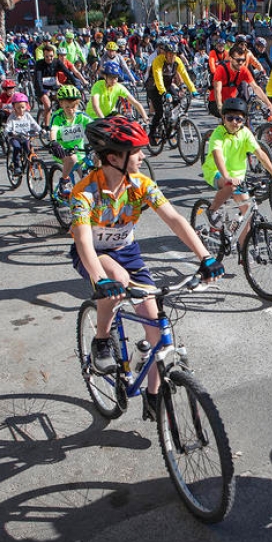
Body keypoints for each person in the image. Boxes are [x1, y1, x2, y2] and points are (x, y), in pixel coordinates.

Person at [69, 116, 223, 417]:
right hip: (94, 255)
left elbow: (176, 220)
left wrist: (205, 256)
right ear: (113, 157)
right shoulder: (85, 193)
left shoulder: (141, 185)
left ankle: (153, 395)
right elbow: (84, 241)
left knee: (157, 331)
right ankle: (101, 339)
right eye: (136, 151)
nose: (143, 156)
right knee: (116, 280)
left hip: (127, 252)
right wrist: (99, 279)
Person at [201, 98, 272, 245]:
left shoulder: (245, 133)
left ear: (244, 120)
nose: (235, 122)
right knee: (230, 185)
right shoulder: (218, 133)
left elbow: (260, 153)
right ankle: (212, 211)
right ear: (223, 118)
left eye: (239, 119)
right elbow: (217, 155)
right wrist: (226, 177)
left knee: (247, 213)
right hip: (215, 171)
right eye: (230, 118)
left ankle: (243, 250)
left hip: (238, 176)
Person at [146, 39, 197, 140]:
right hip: (154, 87)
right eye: (169, 54)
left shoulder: (177, 61)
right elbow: (158, 77)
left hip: (167, 86)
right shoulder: (158, 61)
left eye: (173, 54)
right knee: (159, 112)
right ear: (164, 54)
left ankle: (170, 123)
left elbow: (185, 75)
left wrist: (193, 89)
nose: (171, 56)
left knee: (177, 100)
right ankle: (151, 134)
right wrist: (164, 93)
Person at [208, 43, 272, 120]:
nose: (241, 63)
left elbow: (255, 88)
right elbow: (217, 90)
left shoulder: (243, 70)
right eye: (238, 60)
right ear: (231, 59)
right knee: (231, 121)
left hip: (231, 102)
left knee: (243, 117)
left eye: (243, 60)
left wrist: (269, 104)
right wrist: (219, 105)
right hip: (215, 102)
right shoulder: (221, 69)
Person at [2, 93, 42, 176]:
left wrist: (41, 131)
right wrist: (10, 132)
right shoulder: (12, 117)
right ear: (14, 107)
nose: (21, 110)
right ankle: (16, 166)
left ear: (26, 106)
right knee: (17, 147)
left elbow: (34, 125)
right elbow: (7, 128)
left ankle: (32, 163)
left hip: (25, 137)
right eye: (18, 108)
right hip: (14, 138)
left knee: (29, 149)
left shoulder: (27, 115)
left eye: (23, 107)